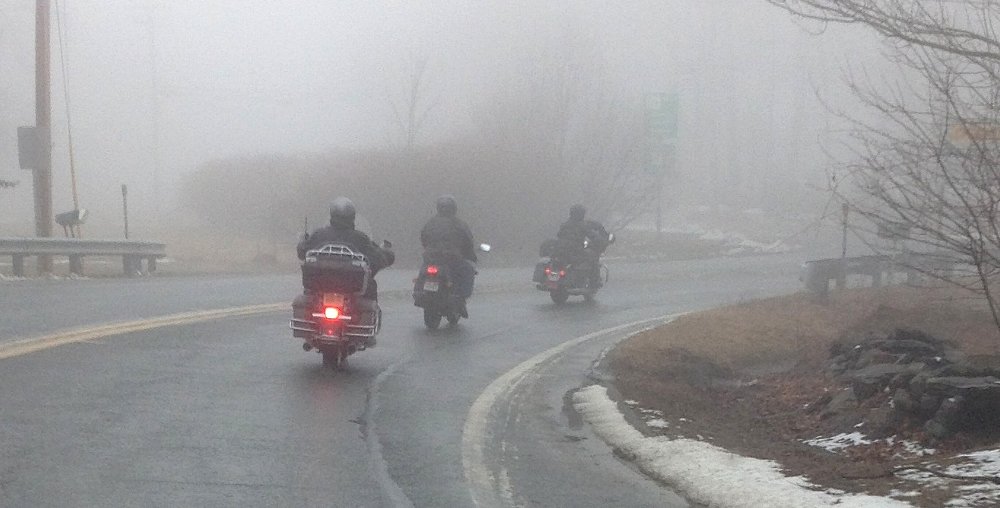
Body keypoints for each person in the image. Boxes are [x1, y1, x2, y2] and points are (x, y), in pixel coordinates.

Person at [297, 196, 395, 300]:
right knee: (370, 287)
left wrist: (302, 241)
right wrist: (387, 253)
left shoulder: (319, 235)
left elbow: (302, 251)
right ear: (352, 216)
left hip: (318, 292)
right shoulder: (360, 239)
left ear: (332, 215)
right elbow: (378, 259)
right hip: (354, 296)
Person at [420, 194, 477, 317]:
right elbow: (468, 241)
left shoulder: (431, 222)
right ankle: (460, 299)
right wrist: (471, 255)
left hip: (430, 258)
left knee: (422, 272)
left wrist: (430, 249)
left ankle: (420, 290)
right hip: (451, 259)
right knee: (468, 270)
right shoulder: (459, 224)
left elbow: (423, 238)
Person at [556, 204, 609, 288]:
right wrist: (601, 241)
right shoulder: (582, 225)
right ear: (581, 214)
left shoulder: (564, 225)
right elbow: (593, 236)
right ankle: (594, 282)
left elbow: (559, 235)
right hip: (575, 252)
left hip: (560, 251)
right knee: (593, 257)